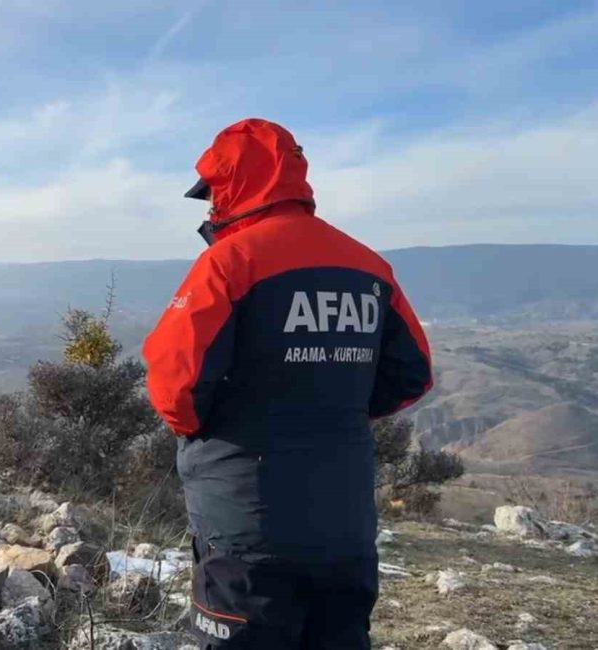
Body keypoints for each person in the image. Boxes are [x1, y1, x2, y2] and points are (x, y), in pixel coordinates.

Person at [143, 118, 433, 649]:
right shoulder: (369, 267)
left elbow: (174, 388)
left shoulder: (228, 265)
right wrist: (329, 406)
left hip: (247, 528)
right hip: (345, 526)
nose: (210, 208)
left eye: (212, 193)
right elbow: (412, 374)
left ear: (233, 187)